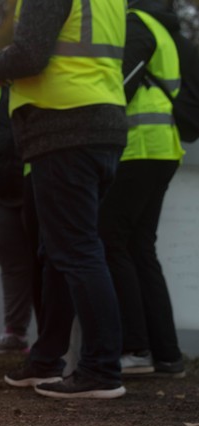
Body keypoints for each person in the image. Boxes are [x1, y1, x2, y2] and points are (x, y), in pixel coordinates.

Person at [0, 0, 129, 398]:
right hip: (100, 124)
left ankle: (101, 369)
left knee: (76, 249)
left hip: (64, 126)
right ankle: (46, 359)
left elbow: (30, 54)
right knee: (59, 250)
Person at [99, 0, 186, 378]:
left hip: (140, 148)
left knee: (112, 239)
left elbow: (120, 83)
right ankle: (166, 354)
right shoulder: (164, 28)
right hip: (163, 147)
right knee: (140, 246)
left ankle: (135, 347)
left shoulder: (136, 24)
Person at [0, 86, 43, 355]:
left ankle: (50, 339)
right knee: (12, 264)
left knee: (46, 264)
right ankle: (14, 333)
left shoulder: (42, 80)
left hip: (36, 185)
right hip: (1, 190)